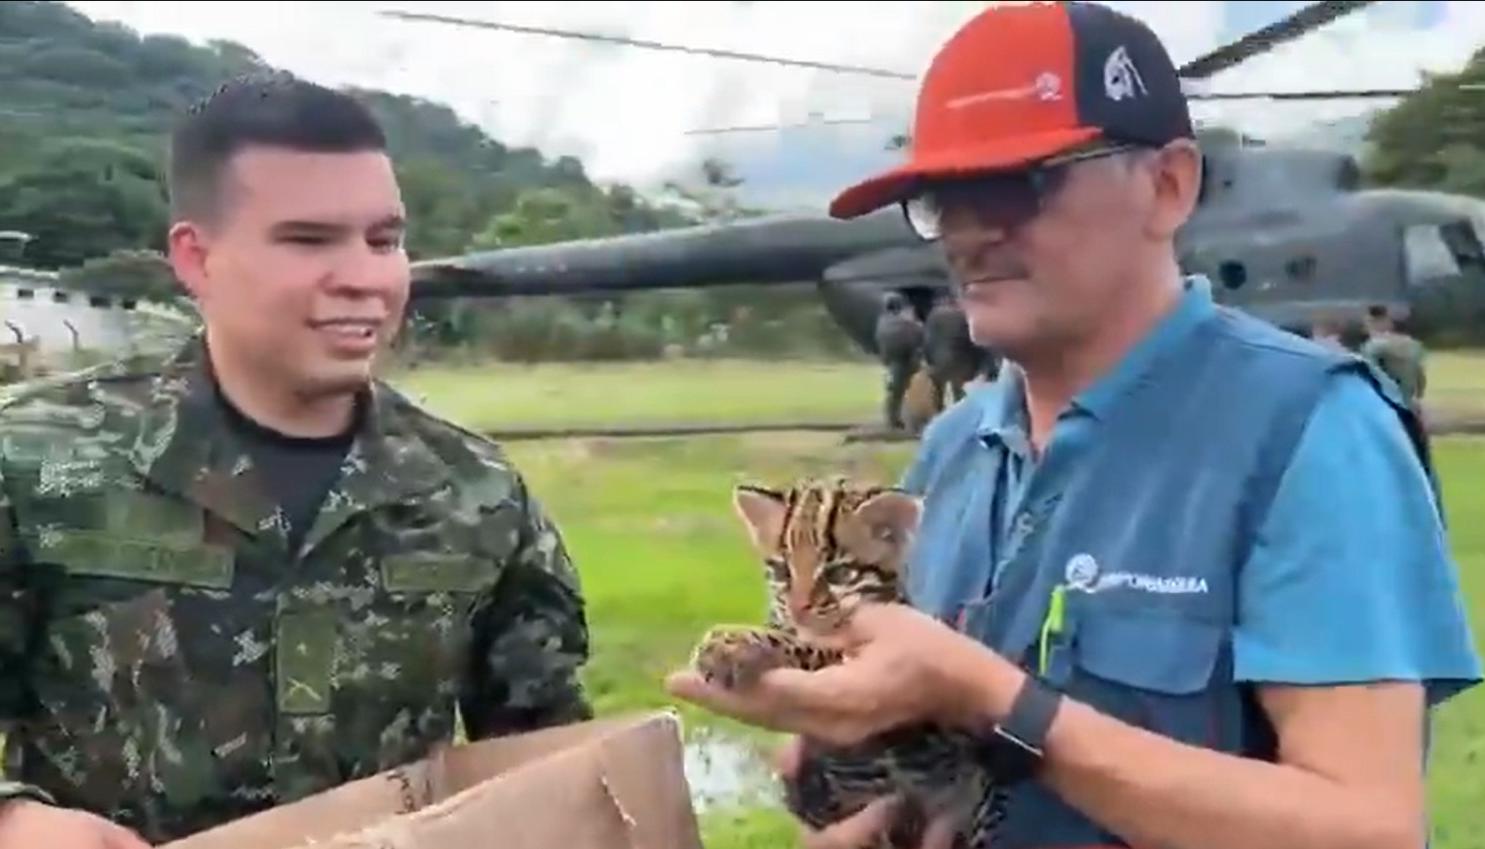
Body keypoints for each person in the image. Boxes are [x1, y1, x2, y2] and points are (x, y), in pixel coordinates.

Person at [668, 4, 1481, 849]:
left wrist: (1000, 704)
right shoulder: (953, 450)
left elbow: (1366, 832)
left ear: (1168, 185)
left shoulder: (1308, 431)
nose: (969, 233)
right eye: (941, 199)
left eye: (1017, 185)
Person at [0, 74, 592, 848]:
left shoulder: (473, 489)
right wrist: (14, 816)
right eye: (309, 240)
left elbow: (547, 750)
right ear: (196, 257)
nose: (365, 278)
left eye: (384, 240)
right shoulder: (37, 458)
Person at [924, 292, 998, 408]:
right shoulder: (964, 316)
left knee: (938, 390)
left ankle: (938, 412)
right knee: (960, 393)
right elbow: (973, 341)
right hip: (961, 361)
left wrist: (929, 359)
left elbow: (928, 339)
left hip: (939, 360)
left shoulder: (934, 316)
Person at [1361, 304, 1428, 412]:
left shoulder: (1373, 347)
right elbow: (1420, 376)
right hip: (1408, 403)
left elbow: (1371, 376)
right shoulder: (1413, 344)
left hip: (1385, 405)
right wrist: (1418, 397)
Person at [874, 292, 925, 430]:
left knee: (894, 392)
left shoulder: (882, 322)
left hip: (890, 361)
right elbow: (917, 336)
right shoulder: (905, 323)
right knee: (902, 391)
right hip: (904, 362)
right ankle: (903, 420)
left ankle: (893, 419)